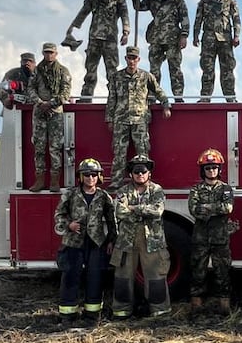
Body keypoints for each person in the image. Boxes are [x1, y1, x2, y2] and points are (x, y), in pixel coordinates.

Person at [53, 157, 117, 324]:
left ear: (99, 177)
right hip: (73, 243)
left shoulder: (104, 196)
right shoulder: (70, 194)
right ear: (81, 177)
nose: (90, 178)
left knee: (95, 278)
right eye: (87, 174)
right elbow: (59, 215)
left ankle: (92, 315)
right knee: (70, 276)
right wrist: (69, 224)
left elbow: (112, 221)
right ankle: (67, 315)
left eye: (94, 175)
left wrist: (111, 241)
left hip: (96, 243)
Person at [111, 158, 171, 319]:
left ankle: (160, 311)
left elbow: (157, 211)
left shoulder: (157, 190)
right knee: (123, 276)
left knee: (156, 276)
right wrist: (144, 212)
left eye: (143, 171)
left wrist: (133, 208)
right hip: (126, 241)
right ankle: (122, 311)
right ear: (131, 174)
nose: (140, 174)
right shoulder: (123, 191)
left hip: (152, 241)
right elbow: (120, 212)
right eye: (136, 171)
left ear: (149, 173)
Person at [106, 46, 172, 190]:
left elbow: (159, 91)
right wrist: (109, 119)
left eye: (134, 58)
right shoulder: (116, 77)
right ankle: (116, 182)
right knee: (119, 152)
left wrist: (166, 105)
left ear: (138, 59)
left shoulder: (146, 76)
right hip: (121, 120)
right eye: (129, 58)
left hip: (140, 120)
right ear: (126, 59)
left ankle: (145, 182)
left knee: (143, 152)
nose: (132, 61)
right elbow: (111, 99)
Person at [63, 0, 130, 98]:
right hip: (94, 38)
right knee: (90, 70)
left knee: (112, 71)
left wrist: (126, 32)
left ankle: (115, 98)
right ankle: (86, 97)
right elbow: (83, 13)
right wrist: (73, 28)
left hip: (110, 40)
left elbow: (124, 15)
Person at [188, 149, 235, 315]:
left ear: (219, 169)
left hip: (220, 238)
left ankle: (224, 306)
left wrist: (206, 207)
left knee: (222, 271)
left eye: (214, 167)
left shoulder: (226, 189)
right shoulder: (196, 189)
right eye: (208, 168)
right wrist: (216, 208)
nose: (211, 170)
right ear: (203, 170)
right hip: (200, 238)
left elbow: (227, 208)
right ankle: (196, 306)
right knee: (198, 271)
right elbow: (194, 209)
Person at [133, 0, 190, 101]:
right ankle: (152, 96)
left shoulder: (178, 0)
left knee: (175, 68)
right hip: (156, 37)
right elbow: (138, 6)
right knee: (154, 69)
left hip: (173, 38)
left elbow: (184, 18)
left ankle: (178, 96)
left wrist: (184, 35)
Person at [26, 42, 72, 193]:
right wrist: (40, 103)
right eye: (46, 52)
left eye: (51, 52)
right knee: (39, 148)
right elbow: (30, 88)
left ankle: (54, 181)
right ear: (43, 53)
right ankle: (39, 181)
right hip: (39, 112)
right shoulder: (37, 71)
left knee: (55, 148)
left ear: (56, 54)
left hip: (55, 113)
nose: (49, 55)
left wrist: (51, 104)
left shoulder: (63, 71)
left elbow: (66, 92)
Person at [192, 0, 241, 102]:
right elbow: (198, 20)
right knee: (207, 69)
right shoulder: (204, 2)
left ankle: (230, 98)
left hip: (225, 39)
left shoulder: (230, 1)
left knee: (228, 69)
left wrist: (236, 35)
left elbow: (236, 19)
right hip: (208, 38)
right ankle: (205, 97)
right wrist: (195, 36)